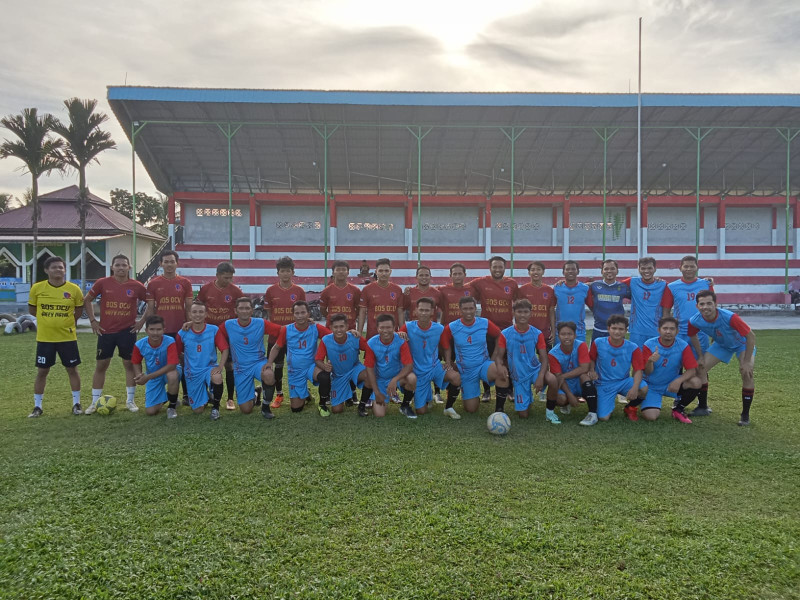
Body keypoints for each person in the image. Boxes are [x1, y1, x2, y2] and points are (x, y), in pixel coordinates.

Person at [83, 254, 148, 415]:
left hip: (127, 331)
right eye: (117, 265)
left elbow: (152, 302)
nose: (121, 268)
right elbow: (87, 300)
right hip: (106, 331)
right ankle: (94, 402)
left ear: (129, 267)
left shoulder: (137, 286)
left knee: (129, 365)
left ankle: (130, 401)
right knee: (101, 365)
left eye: (124, 265)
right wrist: (93, 320)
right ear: (112, 267)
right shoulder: (102, 283)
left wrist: (141, 322)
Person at [688, 290, 756, 426]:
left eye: (709, 303)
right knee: (700, 368)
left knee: (746, 373)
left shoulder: (730, 317)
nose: (705, 307)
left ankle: (745, 415)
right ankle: (703, 407)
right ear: (697, 306)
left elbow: (751, 336)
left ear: (716, 304)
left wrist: (747, 361)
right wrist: (700, 356)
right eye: (702, 304)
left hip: (741, 345)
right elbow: (692, 335)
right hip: (722, 345)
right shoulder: (694, 320)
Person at [27, 256, 84, 417]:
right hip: (45, 338)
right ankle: (37, 406)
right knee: (42, 372)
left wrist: (66, 322)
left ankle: (77, 404)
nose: (58, 270)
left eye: (60, 267)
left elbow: (78, 311)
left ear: (65, 270)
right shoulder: (37, 288)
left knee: (72, 369)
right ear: (46, 270)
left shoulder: (74, 289)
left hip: (67, 338)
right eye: (54, 267)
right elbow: (33, 310)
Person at [441, 296, 511, 418]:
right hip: (466, 371)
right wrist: (449, 361)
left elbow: (500, 336)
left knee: (502, 372)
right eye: (465, 309)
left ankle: (499, 410)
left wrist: (495, 357)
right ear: (460, 310)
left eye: (471, 308)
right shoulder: (452, 327)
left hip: (483, 365)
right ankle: (472, 393)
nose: (468, 312)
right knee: (471, 409)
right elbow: (445, 344)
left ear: (475, 309)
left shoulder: (484, 323)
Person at [215, 296, 281, 417]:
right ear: (235, 311)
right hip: (241, 368)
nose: (244, 311)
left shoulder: (260, 323)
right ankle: (256, 393)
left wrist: (303, 323)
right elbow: (211, 333)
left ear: (252, 310)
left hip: (259, 363)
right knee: (246, 410)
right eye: (241, 308)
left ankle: (265, 407)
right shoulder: (228, 325)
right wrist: (191, 323)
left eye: (247, 308)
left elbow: (282, 330)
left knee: (269, 374)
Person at [664, 255, 713, 415]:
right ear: (680, 268)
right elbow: (666, 310)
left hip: (701, 333)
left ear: (697, 267)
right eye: (686, 266)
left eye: (692, 266)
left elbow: (713, 308)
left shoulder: (705, 284)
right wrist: (667, 329)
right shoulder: (672, 287)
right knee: (677, 367)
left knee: (701, 367)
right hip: (680, 334)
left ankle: (703, 405)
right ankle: (679, 399)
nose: (689, 269)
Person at [264, 300, 332, 415]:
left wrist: (350, 332)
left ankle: (322, 404)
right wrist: (269, 362)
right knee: (296, 409)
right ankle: (307, 396)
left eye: (303, 312)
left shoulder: (315, 328)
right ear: (293, 315)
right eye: (297, 313)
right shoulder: (287, 329)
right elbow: (276, 347)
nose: (300, 316)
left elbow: (333, 336)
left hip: (312, 367)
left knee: (325, 377)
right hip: (294, 371)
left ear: (308, 314)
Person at [495, 300, 559, 422]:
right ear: (513, 313)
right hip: (519, 376)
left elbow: (544, 358)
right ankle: (527, 397)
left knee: (552, 379)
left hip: (534, 371)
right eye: (519, 312)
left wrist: (540, 376)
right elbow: (499, 356)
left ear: (531, 314)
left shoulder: (537, 333)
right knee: (523, 415)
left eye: (526, 312)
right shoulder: (505, 334)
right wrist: (500, 365)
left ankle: (550, 412)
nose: (522, 315)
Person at [630, 316, 702, 423]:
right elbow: (647, 372)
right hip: (652, 386)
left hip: (670, 384)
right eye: (665, 328)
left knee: (696, 382)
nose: (668, 332)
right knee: (651, 417)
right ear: (659, 330)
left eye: (672, 329)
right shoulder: (649, 344)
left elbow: (692, 370)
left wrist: (678, 381)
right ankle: (638, 403)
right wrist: (650, 361)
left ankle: (678, 410)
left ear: (677, 331)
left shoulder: (682, 345)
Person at [196, 261, 246, 410]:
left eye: (231, 278)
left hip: (228, 333)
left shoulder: (236, 291)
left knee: (230, 365)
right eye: (226, 278)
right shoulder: (205, 289)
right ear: (217, 275)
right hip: (208, 332)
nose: (229, 281)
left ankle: (230, 399)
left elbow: (243, 309)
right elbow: (197, 308)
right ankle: (205, 396)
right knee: (205, 365)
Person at [145, 250, 193, 403]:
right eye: (166, 261)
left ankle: (186, 395)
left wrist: (190, 324)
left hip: (181, 329)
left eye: (172, 261)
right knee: (164, 362)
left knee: (184, 361)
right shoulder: (153, 283)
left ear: (177, 263)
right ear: (160, 264)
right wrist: (150, 329)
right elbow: (151, 309)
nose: (169, 264)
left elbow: (188, 307)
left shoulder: (185, 283)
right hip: (161, 331)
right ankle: (169, 396)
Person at [399, 297, 461, 415]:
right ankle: (427, 393)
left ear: (433, 312)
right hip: (417, 371)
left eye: (427, 310)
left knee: (456, 377)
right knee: (421, 411)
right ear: (416, 311)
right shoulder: (407, 327)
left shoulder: (439, 328)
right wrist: (399, 334)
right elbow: (395, 341)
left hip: (434, 367)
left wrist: (448, 362)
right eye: (421, 310)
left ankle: (448, 408)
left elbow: (446, 347)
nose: (423, 313)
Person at [468, 256, 518, 402]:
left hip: (507, 329)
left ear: (505, 268)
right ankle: (487, 391)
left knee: (507, 360)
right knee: (486, 358)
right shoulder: (480, 282)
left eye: (500, 267)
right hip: (487, 330)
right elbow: (461, 287)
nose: (497, 269)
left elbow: (521, 299)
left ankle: (510, 390)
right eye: (494, 267)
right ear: (490, 268)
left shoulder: (512, 284)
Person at [584, 314, 647, 425]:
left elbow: (638, 370)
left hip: (624, 381)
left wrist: (634, 387)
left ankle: (630, 407)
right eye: (614, 328)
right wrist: (592, 370)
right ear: (608, 329)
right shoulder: (598, 342)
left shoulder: (633, 347)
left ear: (626, 330)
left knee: (644, 388)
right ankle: (608, 404)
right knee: (603, 417)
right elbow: (591, 359)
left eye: (621, 329)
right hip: (604, 383)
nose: (617, 332)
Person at [263, 256, 306, 409]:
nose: (286, 274)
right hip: (276, 336)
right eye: (282, 271)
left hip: (295, 336)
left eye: (288, 271)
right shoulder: (271, 290)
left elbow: (303, 313)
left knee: (299, 365)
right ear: (278, 273)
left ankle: (303, 393)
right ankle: (279, 394)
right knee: (278, 366)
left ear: (293, 272)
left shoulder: (299, 291)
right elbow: (269, 314)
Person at [175, 302, 229, 420]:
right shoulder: (182, 333)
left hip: (208, 368)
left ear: (206, 314)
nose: (197, 314)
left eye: (201, 312)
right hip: (192, 372)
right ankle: (208, 396)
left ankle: (215, 408)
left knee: (217, 377)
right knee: (197, 410)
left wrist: (220, 367)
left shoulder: (213, 330)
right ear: (189, 314)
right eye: (194, 312)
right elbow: (179, 353)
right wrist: (185, 367)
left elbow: (224, 349)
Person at [315, 313, 372, 415]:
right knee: (337, 410)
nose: (339, 329)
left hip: (354, 369)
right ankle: (348, 393)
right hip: (338, 376)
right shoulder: (326, 340)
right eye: (335, 327)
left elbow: (370, 349)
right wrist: (325, 366)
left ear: (346, 326)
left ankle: (362, 406)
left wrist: (369, 365)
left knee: (369, 375)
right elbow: (318, 359)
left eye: (341, 326)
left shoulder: (355, 338)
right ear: (331, 327)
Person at [364, 314, 417, 418]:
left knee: (412, 378)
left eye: (388, 327)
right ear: (377, 328)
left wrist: (394, 380)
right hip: (381, 380)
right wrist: (377, 392)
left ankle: (405, 406)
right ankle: (373, 398)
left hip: (397, 379)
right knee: (379, 415)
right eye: (382, 327)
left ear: (394, 328)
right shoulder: (371, 343)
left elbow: (409, 366)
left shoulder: (401, 341)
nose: (385, 330)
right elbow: (369, 369)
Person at [131, 315, 180, 417]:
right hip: (153, 376)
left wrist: (147, 377)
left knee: (172, 375)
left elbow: (172, 365)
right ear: (146, 330)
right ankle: (169, 396)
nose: (155, 333)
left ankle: (172, 406)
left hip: (167, 372)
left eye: (158, 329)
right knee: (151, 411)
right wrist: (139, 375)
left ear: (164, 330)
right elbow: (136, 362)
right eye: (152, 329)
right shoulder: (139, 344)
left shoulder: (170, 341)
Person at [548, 321, 595, 416]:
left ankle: (592, 413)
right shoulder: (553, 354)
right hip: (565, 383)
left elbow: (584, 368)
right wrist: (569, 395)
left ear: (575, 335)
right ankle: (566, 403)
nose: (566, 337)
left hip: (579, 380)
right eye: (563, 334)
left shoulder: (581, 345)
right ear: (558, 335)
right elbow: (558, 377)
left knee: (585, 377)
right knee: (561, 399)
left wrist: (564, 376)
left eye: (569, 334)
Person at [624, 256, 670, 348]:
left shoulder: (664, 285)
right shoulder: (632, 282)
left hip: (656, 330)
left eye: (649, 268)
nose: (646, 271)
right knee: (637, 360)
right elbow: (612, 286)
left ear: (655, 269)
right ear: (638, 269)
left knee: (655, 359)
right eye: (643, 268)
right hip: (636, 331)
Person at [357, 257, 404, 339]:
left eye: (386, 271)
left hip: (392, 335)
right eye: (381, 271)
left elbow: (400, 312)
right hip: (373, 334)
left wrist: (402, 330)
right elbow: (362, 312)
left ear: (390, 272)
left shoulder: (397, 290)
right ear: (376, 272)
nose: (384, 273)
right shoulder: (367, 289)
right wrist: (359, 332)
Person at [585, 259, 630, 342]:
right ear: (602, 271)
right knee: (596, 355)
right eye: (606, 269)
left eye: (612, 268)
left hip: (617, 330)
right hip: (599, 329)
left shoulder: (623, 287)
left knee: (618, 354)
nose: (609, 271)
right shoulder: (594, 285)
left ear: (617, 271)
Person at [516, 261, 556, 348]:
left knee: (546, 358)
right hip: (526, 332)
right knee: (526, 359)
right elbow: (517, 312)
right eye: (533, 270)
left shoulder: (549, 290)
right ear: (529, 273)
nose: (535, 272)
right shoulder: (522, 290)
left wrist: (553, 330)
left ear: (543, 272)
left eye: (538, 269)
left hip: (545, 333)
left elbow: (551, 311)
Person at [553, 260, 591, 342]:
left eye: (573, 269)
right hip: (560, 332)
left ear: (578, 271)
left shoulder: (585, 288)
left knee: (579, 354)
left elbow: (593, 307)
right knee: (559, 355)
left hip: (579, 332)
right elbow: (551, 309)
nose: (570, 271)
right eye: (567, 269)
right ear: (563, 272)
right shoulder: (557, 288)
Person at [319, 260, 361, 329]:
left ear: (348, 272)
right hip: (332, 328)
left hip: (349, 327)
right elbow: (322, 309)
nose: (341, 272)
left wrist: (352, 317)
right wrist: (331, 317)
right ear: (333, 273)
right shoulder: (326, 290)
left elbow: (359, 309)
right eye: (338, 270)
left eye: (344, 270)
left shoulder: (355, 290)